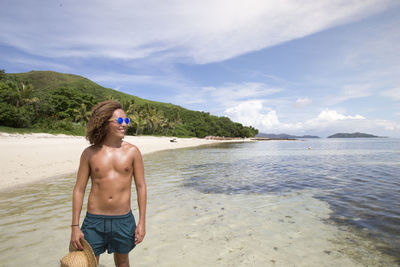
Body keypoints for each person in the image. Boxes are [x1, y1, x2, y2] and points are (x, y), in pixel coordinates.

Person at [70, 100, 147, 267]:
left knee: (123, 263)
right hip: (94, 221)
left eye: (126, 121)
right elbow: (79, 189)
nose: (124, 125)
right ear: (104, 123)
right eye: (119, 121)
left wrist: (142, 222)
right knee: (90, 263)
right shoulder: (89, 153)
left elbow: (141, 187)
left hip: (123, 220)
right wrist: (75, 226)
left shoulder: (132, 152)